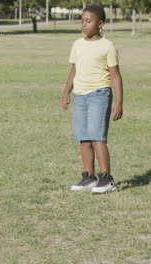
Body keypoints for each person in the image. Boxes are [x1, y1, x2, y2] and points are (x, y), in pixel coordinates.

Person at [61, 4, 123, 193]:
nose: (84, 25)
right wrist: (66, 92)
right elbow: (74, 71)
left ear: (101, 23)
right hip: (80, 95)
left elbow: (116, 76)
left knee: (97, 137)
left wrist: (119, 102)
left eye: (89, 21)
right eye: (82, 21)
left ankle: (107, 179)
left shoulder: (107, 46)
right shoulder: (77, 44)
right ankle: (89, 177)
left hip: (99, 95)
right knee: (84, 138)